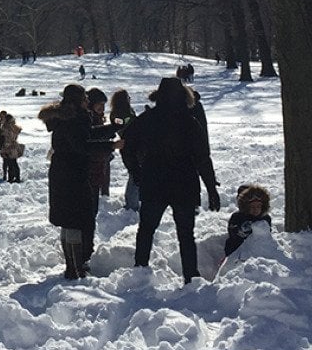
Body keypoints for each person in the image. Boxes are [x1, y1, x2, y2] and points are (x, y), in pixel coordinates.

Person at [122, 77, 220, 284]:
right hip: (184, 182)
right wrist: (211, 188)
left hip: (154, 180)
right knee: (186, 234)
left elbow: (127, 146)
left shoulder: (146, 119)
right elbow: (203, 157)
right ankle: (191, 276)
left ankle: (140, 270)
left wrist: (137, 173)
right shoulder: (190, 122)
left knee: (147, 229)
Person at [39, 84, 117, 279]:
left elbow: (87, 135)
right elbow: (83, 145)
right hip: (72, 174)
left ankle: (73, 266)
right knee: (76, 220)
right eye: (84, 98)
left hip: (62, 172)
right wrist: (111, 145)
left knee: (69, 220)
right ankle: (74, 269)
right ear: (78, 100)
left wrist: (112, 128)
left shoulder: (65, 117)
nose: (87, 102)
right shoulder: (76, 119)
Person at [110, 89, 140, 211]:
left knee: (135, 174)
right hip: (129, 146)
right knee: (134, 174)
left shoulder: (123, 112)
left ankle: (134, 201)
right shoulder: (120, 114)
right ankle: (131, 204)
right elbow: (124, 126)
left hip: (133, 145)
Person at [225, 184, 272, 256]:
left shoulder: (265, 218)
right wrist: (239, 231)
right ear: (246, 206)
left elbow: (267, 234)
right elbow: (232, 232)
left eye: (258, 206)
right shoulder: (237, 217)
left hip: (258, 250)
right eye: (252, 206)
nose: (255, 209)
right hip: (237, 249)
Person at [86, 88, 111, 196]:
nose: (102, 107)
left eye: (104, 104)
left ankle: (104, 196)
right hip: (92, 160)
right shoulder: (88, 119)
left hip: (102, 157)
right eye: (99, 104)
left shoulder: (99, 117)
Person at [0, 111, 23, 183]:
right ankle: (16, 177)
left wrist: (4, 148)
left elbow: (7, 139)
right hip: (14, 147)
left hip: (8, 148)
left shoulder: (6, 127)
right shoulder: (14, 126)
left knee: (10, 163)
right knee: (13, 163)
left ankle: (12, 178)